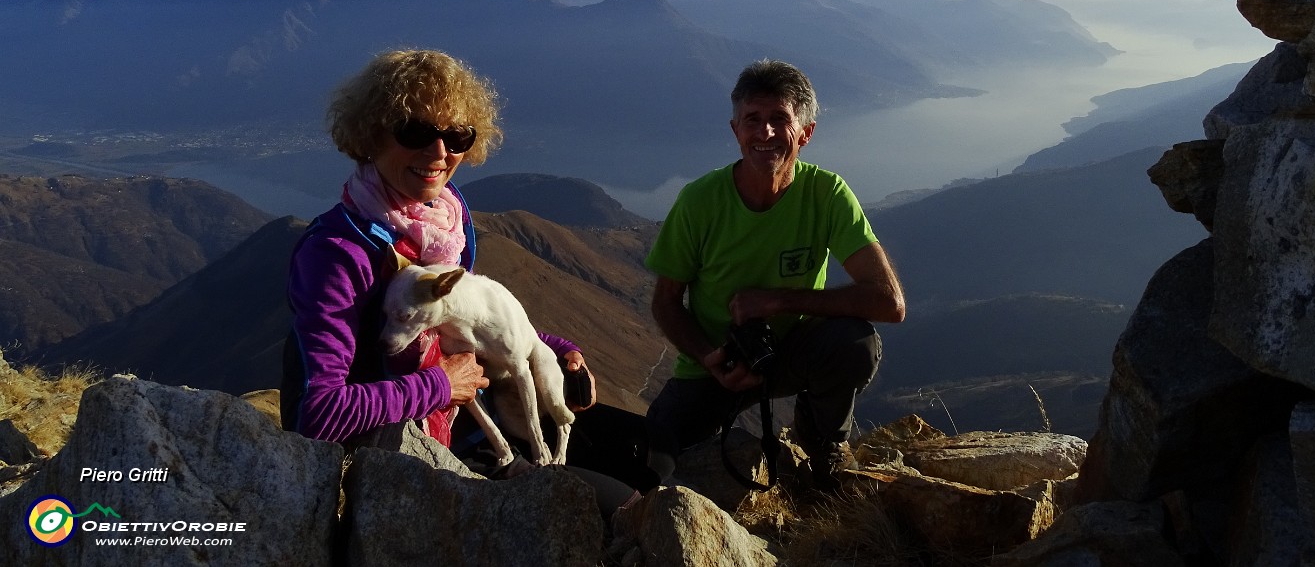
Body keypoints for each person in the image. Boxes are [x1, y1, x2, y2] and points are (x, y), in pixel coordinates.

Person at [281, 48, 641, 511]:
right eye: (415, 132)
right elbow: (317, 416)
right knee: (625, 508)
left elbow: (462, 313)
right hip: (405, 447)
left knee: (644, 450)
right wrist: (440, 386)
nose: (438, 153)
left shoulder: (445, 224)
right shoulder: (337, 255)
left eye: (457, 136)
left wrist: (549, 345)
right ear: (371, 134)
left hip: (472, 413)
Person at [645, 59, 906, 492]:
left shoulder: (828, 195)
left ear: (806, 132)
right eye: (753, 120)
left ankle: (823, 444)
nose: (764, 134)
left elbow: (888, 301)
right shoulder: (699, 202)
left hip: (792, 355)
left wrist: (779, 300)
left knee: (855, 344)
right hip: (716, 365)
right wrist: (709, 356)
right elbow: (666, 302)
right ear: (735, 130)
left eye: (779, 120)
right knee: (657, 450)